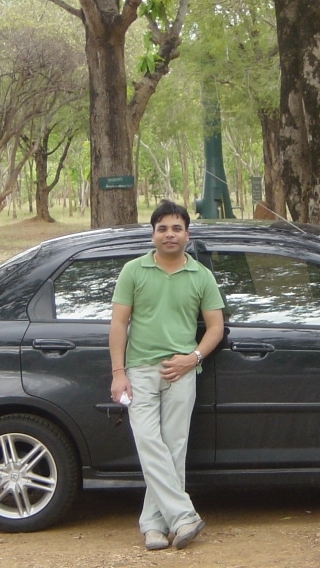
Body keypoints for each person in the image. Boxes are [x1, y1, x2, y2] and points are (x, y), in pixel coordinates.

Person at [109, 200, 225, 550]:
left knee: (174, 447)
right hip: (140, 372)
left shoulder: (201, 276)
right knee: (148, 442)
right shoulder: (133, 271)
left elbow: (216, 327)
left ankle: (153, 526)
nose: (169, 234)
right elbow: (118, 322)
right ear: (153, 234)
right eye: (163, 228)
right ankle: (184, 516)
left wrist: (193, 358)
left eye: (176, 228)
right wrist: (118, 373)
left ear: (187, 234)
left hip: (181, 372)